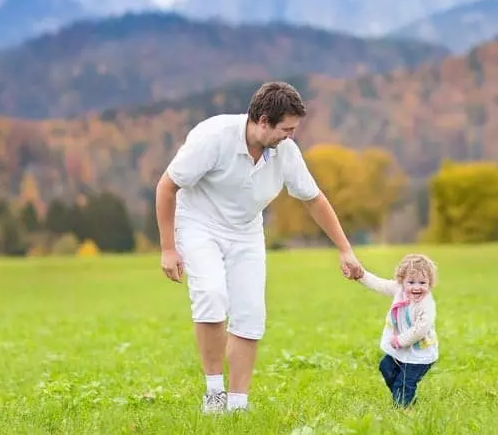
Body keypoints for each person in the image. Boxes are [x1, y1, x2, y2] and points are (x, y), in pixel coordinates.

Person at [154, 81, 363, 414]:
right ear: (263, 121)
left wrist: (345, 249)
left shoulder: (285, 153)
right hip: (198, 223)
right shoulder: (213, 137)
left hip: (247, 231)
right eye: (286, 129)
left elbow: (314, 199)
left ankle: (238, 404)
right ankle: (214, 394)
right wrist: (168, 248)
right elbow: (167, 186)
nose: (290, 136)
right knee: (210, 294)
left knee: (250, 313)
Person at [347, 253, 439, 408]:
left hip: (419, 354)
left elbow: (420, 329)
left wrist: (400, 340)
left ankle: (403, 408)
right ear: (402, 281)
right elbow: (379, 284)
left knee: (404, 382)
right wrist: (360, 275)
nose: (416, 287)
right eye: (411, 282)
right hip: (400, 349)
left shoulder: (426, 305)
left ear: (430, 283)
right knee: (386, 367)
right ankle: (404, 396)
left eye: (422, 282)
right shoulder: (399, 290)